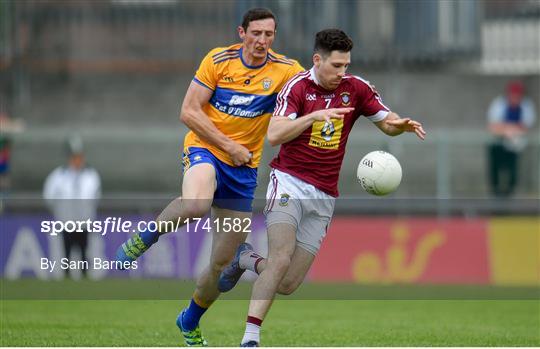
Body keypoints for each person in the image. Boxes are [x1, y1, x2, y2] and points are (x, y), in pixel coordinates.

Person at [217, 28, 426, 347]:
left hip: (324, 196)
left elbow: (385, 121)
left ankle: (245, 259)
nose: (342, 72)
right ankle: (250, 338)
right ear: (318, 60)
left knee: (286, 283)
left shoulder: (356, 89)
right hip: (288, 182)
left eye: (346, 65)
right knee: (282, 257)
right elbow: (274, 135)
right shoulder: (297, 87)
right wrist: (313, 118)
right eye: (336, 66)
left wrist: (399, 126)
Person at [115, 8, 303, 346]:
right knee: (197, 203)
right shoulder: (218, 60)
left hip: (243, 170)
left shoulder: (286, 71)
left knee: (221, 267)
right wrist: (229, 145)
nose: (262, 41)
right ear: (241, 32)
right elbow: (188, 111)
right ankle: (147, 236)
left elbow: (311, 89)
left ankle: (189, 319)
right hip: (207, 149)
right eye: (256, 33)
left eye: (269, 35)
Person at [43, 135, 101, 278]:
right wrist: (60, 212)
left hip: (84, 222)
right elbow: (48, 196)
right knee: (66, 251)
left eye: (79, 157)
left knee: (84, 251)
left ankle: (84, 274)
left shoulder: (91, 175)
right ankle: (66, 275)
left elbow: (95, 197)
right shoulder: (58, 175)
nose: (77, 161)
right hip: (66, 221)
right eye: (74, 157)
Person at [487, 81, 536, 197]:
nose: (515, 97)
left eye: (518, 95)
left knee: (513, 174)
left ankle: (509, 198)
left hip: (514, 145)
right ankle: (496, 198)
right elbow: (493, 126)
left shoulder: (526, 105)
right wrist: (509, 129)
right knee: (495, 173)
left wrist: (507, 128)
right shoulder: (499, 104)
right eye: (513, 94)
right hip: (498, 144)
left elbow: (525, 126)